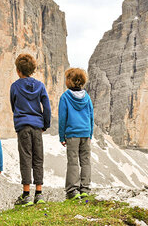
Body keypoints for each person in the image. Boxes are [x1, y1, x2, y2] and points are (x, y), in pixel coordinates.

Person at [10, 53, 51, 206]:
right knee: (38, 158)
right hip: (37, 126)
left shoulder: (14, 86)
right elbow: (46, 107)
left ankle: (26, 194)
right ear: (33, 70)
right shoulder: (40, 86)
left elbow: (13, 106)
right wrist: (45, 125)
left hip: (23, 127)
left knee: (25, 158)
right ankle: (38, 194)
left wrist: (20, 119)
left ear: (18, 70)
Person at [58, 68, 94, 200]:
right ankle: (85, 189)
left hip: (72, 134)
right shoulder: (87, 97)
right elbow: (91, 117)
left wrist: (62, 136)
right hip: (85, 133)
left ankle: (72, 190)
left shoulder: (65, 97)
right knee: (86, 161)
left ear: (69, 81)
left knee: (73, 162)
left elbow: (62, 118)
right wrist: (90, 134)